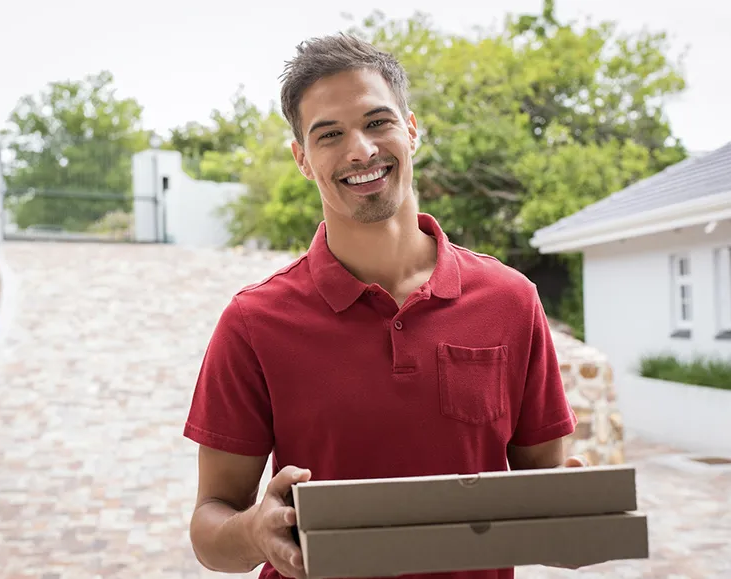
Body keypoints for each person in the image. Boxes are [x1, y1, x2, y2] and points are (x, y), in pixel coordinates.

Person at [183, 33, 585, 579]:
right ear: (302, 159)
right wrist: (256, 531)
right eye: (330, 135)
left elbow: (544, 488)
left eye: (378, 123)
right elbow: (211, 529)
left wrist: (573, 523)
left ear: (412, 130)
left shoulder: (511, 301)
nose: (361, 150)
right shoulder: (254, 322)